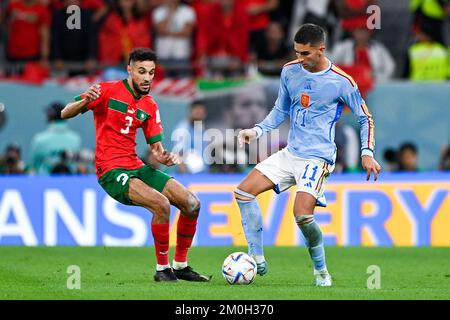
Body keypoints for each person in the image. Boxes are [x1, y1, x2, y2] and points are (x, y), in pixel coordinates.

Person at [235, 24, 381, 287]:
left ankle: (321, 271)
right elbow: (281, 110)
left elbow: (365, 118)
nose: (299, 59)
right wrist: (257, 131)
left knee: (302, 215)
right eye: (297, 52)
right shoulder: (290, 71)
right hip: (291, 153)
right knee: (243, 192)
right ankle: (256, 257)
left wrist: (367, 153)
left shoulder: (342, 81)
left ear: (321, 49)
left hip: (318, 157)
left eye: (305, 54)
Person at [61, 48, 210, 282]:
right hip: (110, 170)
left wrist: (164, 157)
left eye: (151, 72)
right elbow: (64, 112)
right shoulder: (106, 90)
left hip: (135, 166)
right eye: (142, 71)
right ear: (129, 69)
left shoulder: (150, 105)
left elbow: (156, 149)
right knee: (161, 204)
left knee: (192, 204)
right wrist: (83, 103)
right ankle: (163, 269)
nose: (147, 77)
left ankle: (180, 265)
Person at [30, 102, 82, 174]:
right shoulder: (76, 139)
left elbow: (34, 165)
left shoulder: (39, 140)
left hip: (44, 183)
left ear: (50, 115)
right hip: (70, 182)